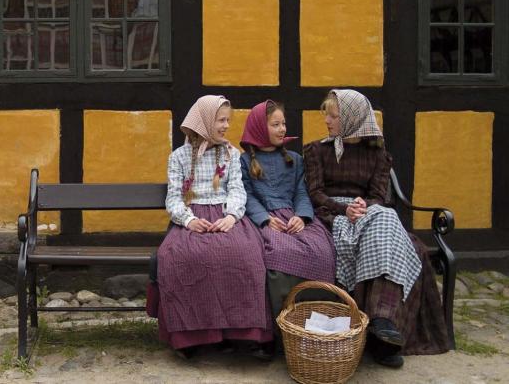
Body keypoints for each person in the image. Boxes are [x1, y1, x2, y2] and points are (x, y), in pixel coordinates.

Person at [303, 89, 449, 368]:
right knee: (390, 228)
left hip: (369, 213)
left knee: (385, 219)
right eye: (327, 115)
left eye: (333, 116)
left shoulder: (377, 153)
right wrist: (343, 209)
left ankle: (383, 328)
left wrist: (363, 206)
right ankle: (382, 332)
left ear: (352, 119)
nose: (327, 121)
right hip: (332, 215)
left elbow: (380, 197)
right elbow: (315, 193)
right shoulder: (317, 150)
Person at [146, 95, 273, 359]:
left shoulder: (231, 154)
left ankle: (244, 334)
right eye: (220, 120)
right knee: (180, 257)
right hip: (192, 216)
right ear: (204, 122)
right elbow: (174, 198)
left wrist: (231, 216)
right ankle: (191, 337)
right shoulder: (179, 157)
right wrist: (189, 219)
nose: (226, 126)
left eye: (228, 120)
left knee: (246, 255)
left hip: (225, 215)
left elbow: (238, 190)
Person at [238, 100, 336, 323]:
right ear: (260, 128)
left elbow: (302, 192)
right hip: (263, 219)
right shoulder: (244, 162)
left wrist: (301, 217)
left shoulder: (295, 160)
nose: (282, 129)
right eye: (275, 124)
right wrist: (264, 218)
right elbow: (247, 195)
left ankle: (315, 321)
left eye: (283, 124)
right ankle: (280, 324)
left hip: (293, 216)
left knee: (322, 250)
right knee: (277, 252)